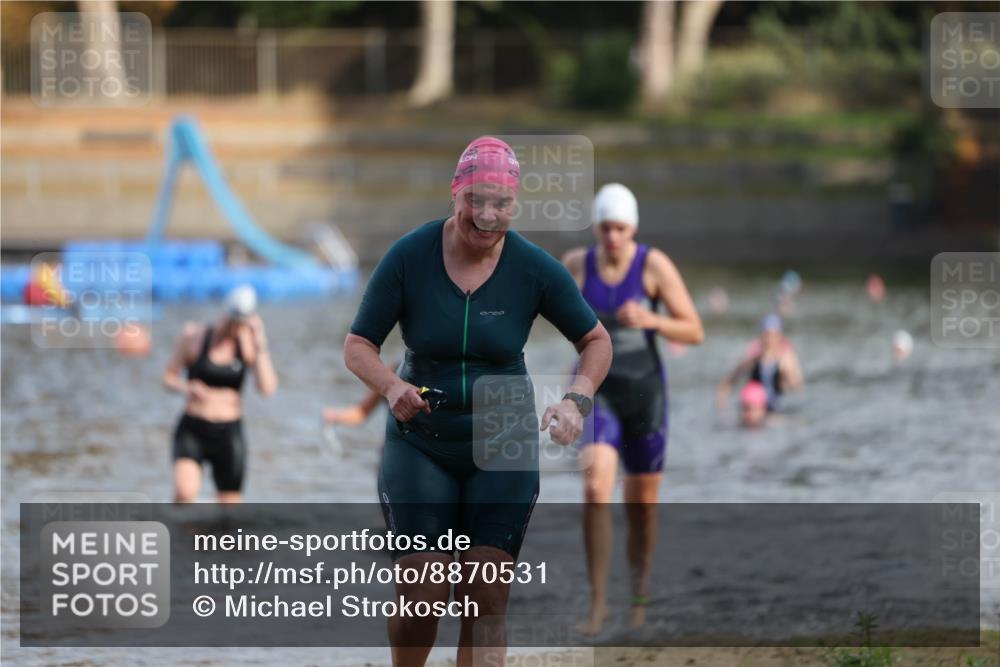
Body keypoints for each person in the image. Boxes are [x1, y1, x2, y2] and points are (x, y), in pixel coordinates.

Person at [343, 136, 612, 667]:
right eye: (476, 201)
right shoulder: (409, 256)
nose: (487, 215)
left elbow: (596, 340)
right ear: (456, 194)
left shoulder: (534, 267)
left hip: (502, 440)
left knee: (485, 597)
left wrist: (575, 403)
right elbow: (358, 347)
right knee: (422, 594)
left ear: (515, 204)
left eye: (502, 203)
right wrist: (392, 387)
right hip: (421, 441)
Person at [561, 182, 704, 635]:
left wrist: (653, 319)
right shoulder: (576, 265)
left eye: (621, 228)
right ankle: (599, 602)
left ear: (633, 228)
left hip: (645, 393)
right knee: (595, 489)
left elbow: (694, 330)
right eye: (605, 228)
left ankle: (638, 596)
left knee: (641, 505)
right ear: (596, 227)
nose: (613, 237)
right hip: (596, 389)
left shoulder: (653, 265)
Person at [162, 285, 277, 503]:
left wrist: (260, 343)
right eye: (232, 321)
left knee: (229, 512)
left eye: (240, 324)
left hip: (228, 433)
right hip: (193, 428)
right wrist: (187, 387)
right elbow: (168, 376)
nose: (234, 329)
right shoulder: (194, 336)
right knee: (185, 494)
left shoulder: (249, 345)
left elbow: (267, 389)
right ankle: (178, 536)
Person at [717, 313, 803, 416]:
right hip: (754, 407)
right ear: (761, 335)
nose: (769, 339)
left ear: (779, 336)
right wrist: (722, 407)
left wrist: (786, 372)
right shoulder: (754, 356)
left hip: (775, 406)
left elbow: (797, 387)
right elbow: (729, 381)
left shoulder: (786, 357)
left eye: (773, 335)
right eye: (766, 334)